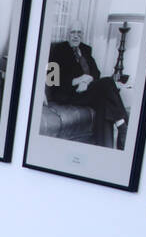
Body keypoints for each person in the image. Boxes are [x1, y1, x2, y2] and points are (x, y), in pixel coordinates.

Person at [45, 20, 129, 148]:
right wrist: (77, 81)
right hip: (69, 93)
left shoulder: (85, 49)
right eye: (73, 32)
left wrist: (87, 80)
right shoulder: (58, 50)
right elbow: (52, 81)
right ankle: (122, 124)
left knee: (103, 103)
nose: (76, 35)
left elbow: (96, 73)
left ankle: (105, 149)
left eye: (79, 32)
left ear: (82, 35)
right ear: (67, 34)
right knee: (108, 82)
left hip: (86, 90)